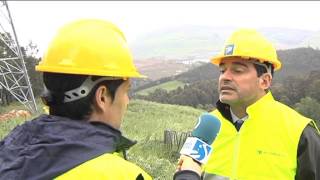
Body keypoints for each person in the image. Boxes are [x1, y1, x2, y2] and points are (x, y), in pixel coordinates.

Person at [0, 19, 152, 180]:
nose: (127, 100)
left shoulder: (9, 149)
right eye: (126, 91)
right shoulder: (121, 175)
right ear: (102, 97)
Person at [176, 28, 320, 180]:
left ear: (264, 81)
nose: (225, 77)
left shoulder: (300, 131)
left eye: (237, 71)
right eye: (222, 71)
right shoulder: (207, 128)